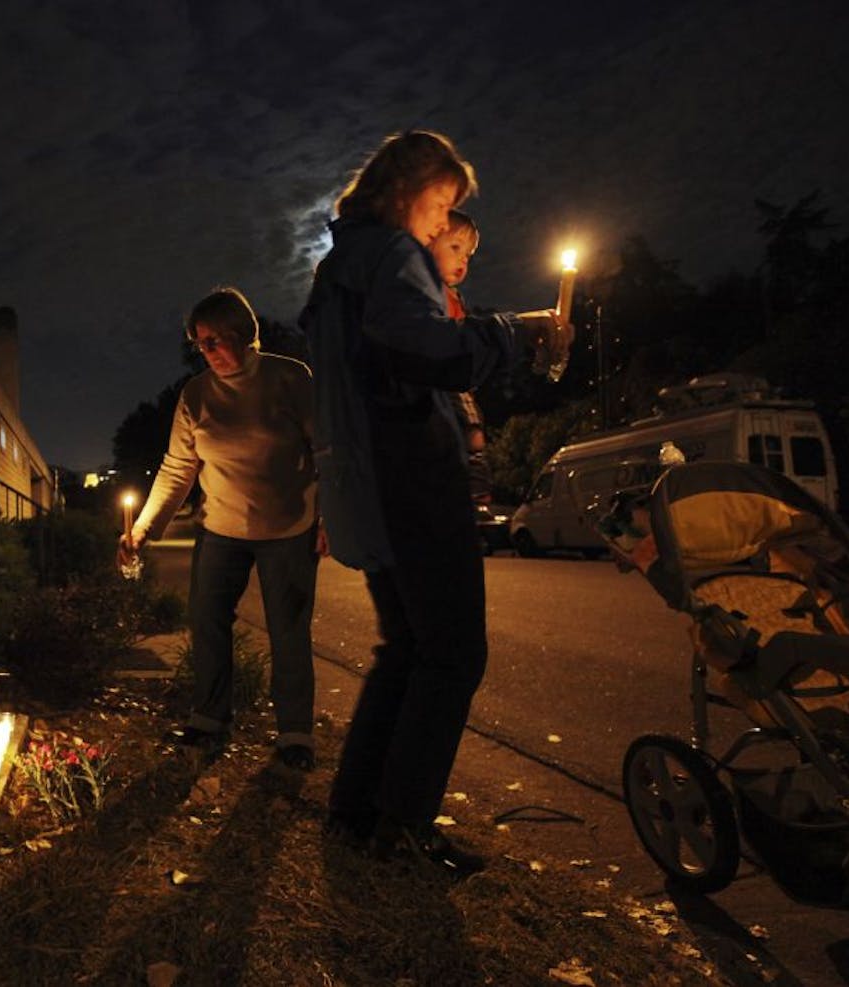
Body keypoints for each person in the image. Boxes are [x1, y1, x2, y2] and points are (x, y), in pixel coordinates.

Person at [298, 130, 571, 873]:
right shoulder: (391, 254)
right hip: (412, 477)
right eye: (441, 201)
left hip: (365, 483)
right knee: (451, 652)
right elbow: (421, 348)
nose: (441, 221)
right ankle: (404, 826)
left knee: (407, 649)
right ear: (404, 191)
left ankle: (357, 809)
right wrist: (517, 335)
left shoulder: (337, 270)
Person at [118, 287, 325, 771]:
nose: (208, 352)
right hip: (221, 527)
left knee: (288, 631)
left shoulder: (290, 378)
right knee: (208, 620)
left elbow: (328, 451)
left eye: (216, 340)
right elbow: (176, 469)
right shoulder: (195, 395)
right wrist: (143, 531)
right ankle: (209, 718)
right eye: (200, 344)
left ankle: (295, 733)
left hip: (287, 527)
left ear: (245, 335)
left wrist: (330, 517)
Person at [429, 210, 494, 506]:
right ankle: (471, 481)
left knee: (473, 429)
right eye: (454, 248)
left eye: (467, 254)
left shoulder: (454, 296)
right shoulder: (426, 292)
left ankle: (477, 482)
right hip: (440, 378)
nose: (463, 259)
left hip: (458, 378)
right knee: (464, 429)